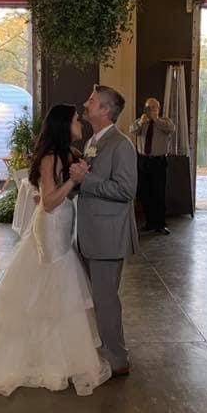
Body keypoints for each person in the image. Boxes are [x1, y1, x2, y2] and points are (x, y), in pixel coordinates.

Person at [0, 104, 113, 396]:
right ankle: (43, 359)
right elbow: (50, 202)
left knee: (57, 290)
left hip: (62, 224)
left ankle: (56, 355)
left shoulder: (69, 154)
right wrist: (73, 181)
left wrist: (76, 179)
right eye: (77, 120)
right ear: (65, 125)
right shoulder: (51, 158)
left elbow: (49, 196)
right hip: (51, 227)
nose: (81, 123)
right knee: (52, 286)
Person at [71, 85, 138, 378]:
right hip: (90, 234)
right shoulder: (93, 141)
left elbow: (126, 190)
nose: (86, 104)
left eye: (92, 101)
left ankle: (118, 360)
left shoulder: (121, 144)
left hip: (109, 236)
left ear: (105, 111)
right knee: (97, 299)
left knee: (106, 301)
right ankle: (104, 351)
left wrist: (86, 180)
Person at [129, 97, 174, 235]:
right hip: (143, 161)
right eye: (149, 108)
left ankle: (160, 224)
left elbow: (171, 129)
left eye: (154, 107)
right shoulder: (142, 122)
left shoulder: (165, 121)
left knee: (158, 193)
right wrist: (141, 123)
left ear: (158, 109)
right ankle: (149, 222)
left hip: (158, 162)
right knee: (144, 193)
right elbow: (132, 130)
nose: (151, 110)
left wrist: (155, 119)